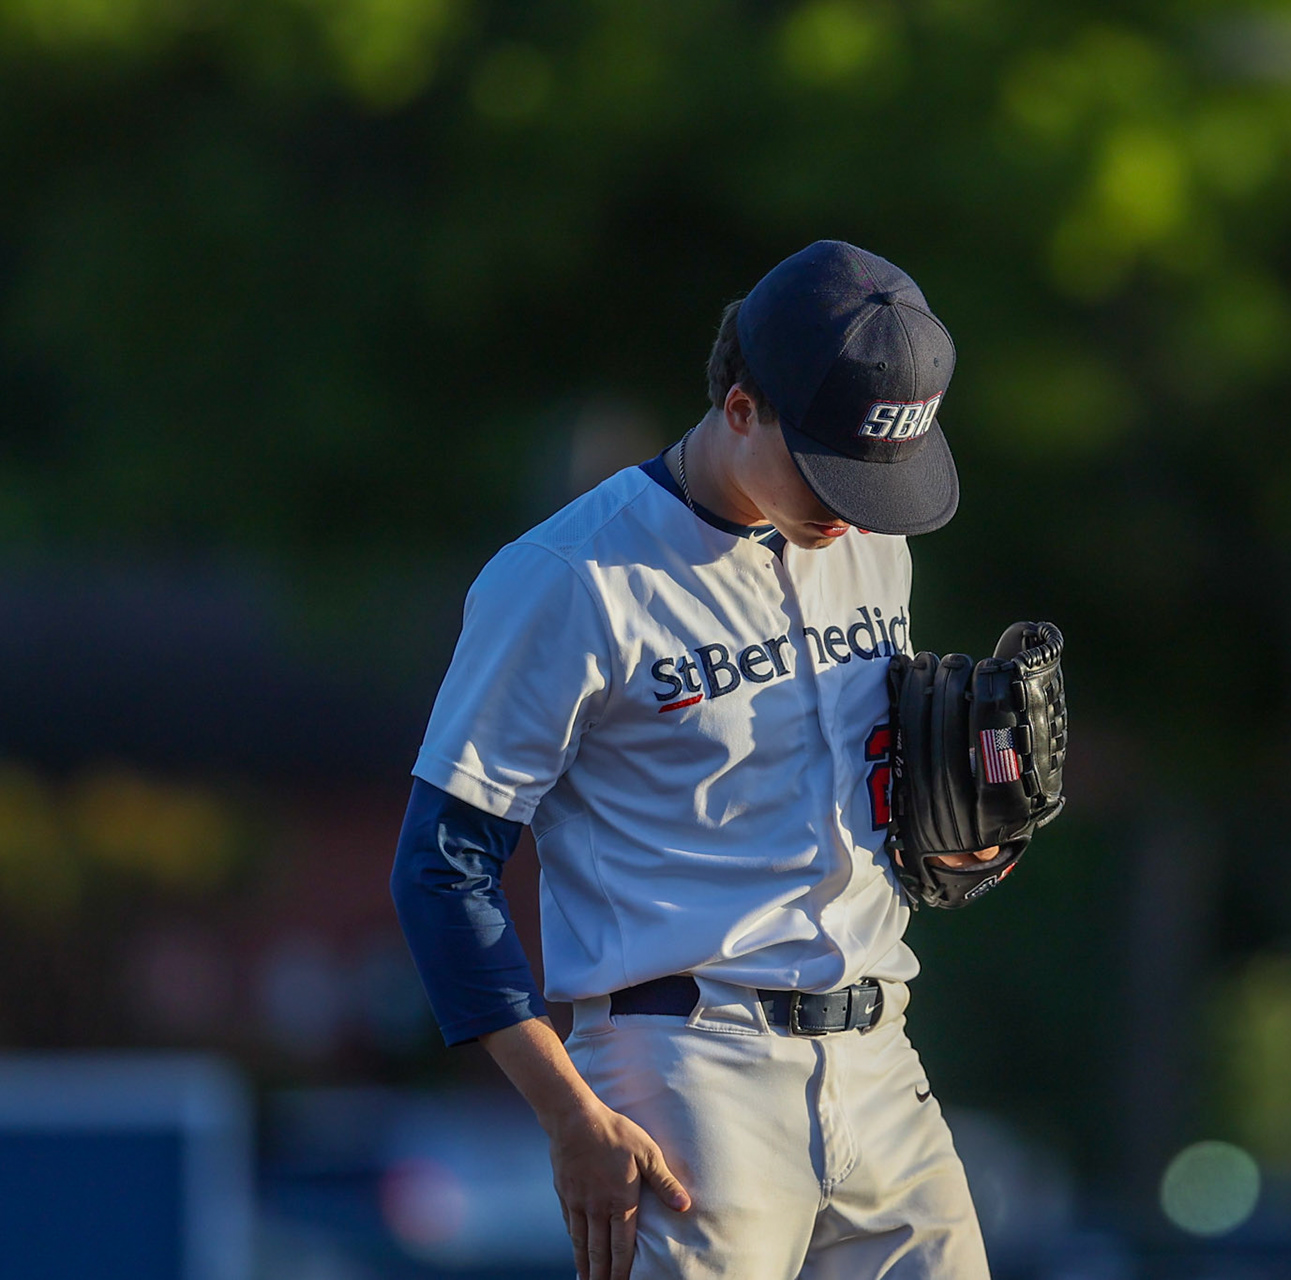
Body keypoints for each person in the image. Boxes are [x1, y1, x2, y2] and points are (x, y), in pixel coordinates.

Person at [391, 240, 1000, 1280]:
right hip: (688, 1075)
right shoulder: (572, 577)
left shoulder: (866, 540)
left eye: (878, 472)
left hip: (880, 1048)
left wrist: (955, 841)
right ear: (740, 402)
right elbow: (441, 867)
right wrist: (568, 1112)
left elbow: (864, 791)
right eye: (829, 466)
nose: (854, 507)